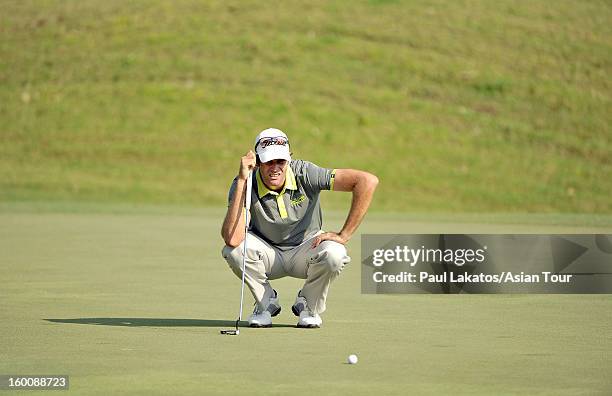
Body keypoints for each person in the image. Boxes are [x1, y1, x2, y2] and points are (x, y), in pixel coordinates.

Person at [221, 128, 378, 328]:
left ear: (289, 159)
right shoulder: (245, 182)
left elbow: (366, 181)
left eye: (281, 161)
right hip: (268, 253)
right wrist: (243, 180)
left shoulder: (305, 172)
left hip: (307, 249)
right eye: (269, 161)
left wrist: (344, 234)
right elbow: (232, 239)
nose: (275, 167)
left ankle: (308, 306)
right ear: (258, 162)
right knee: (233, 251)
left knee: (335, 253)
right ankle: (265, 304)